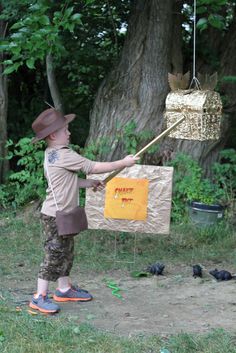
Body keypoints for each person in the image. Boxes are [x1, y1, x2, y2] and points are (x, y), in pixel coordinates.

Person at [29, 108, 139, 314]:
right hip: (55, 215)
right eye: (66, 130)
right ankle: (39, 297)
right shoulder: (64, 154)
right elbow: (93, 166)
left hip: (61, 214)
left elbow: (67, 180)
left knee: (66, 253)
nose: (69, 133)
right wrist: (124, 163)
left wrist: (89, 184)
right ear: (53, 135)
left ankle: (63, 289)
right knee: (53, 255)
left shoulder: (51, 154)